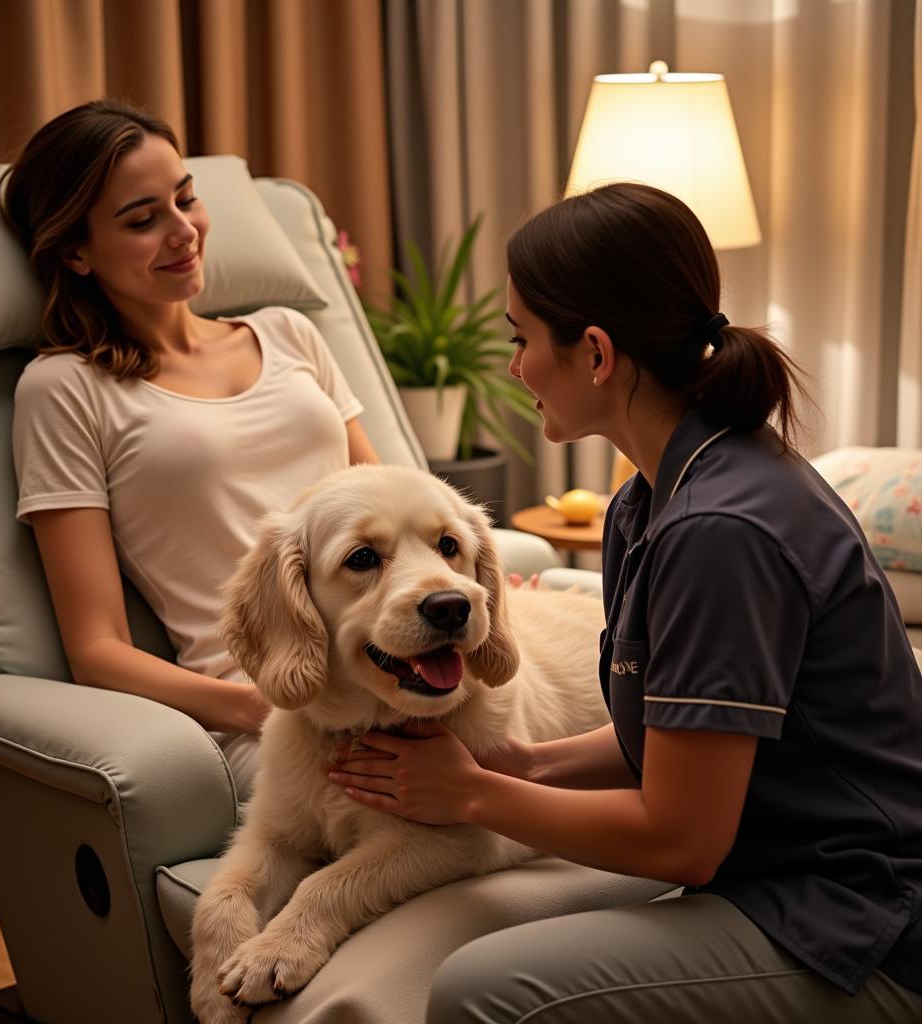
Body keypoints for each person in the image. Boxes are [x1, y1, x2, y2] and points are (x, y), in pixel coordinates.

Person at [325, 182, 922, 1021]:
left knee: (477, 990)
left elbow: (683, 839)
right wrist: (525, 766)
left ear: (596, 354)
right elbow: (677, 732)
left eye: (521, 337)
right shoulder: (654, 497)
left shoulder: (719, 529)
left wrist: (470, 795)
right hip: (790, 878)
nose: (515, 365)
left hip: (860, 918)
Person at [2, 99, 378, 792]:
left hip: (396, 657)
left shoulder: (289, 333)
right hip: (268, 706)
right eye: (143, 220)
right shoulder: (63, 390)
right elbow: (98, 651)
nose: (184, 232)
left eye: (186, 200)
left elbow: (389, 507)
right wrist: (263, 706)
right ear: (76, 252)